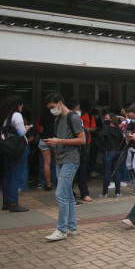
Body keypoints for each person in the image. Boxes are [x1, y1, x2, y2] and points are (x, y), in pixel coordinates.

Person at [42, 93, 86, 241]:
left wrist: (59, 140)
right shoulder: (57, 119)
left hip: (71, 160)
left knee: (60, 194)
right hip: (60, 159)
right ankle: (71, 228)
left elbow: (82, 139)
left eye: (53, 107)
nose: (52, 110)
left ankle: (61, 230)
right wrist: (54, 143)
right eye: (50, 108)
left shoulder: (73, 117)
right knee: (67, 195)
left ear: (60, 103)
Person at [0, 96, 30, 212]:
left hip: (6, 148)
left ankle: (6, 202)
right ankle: (13, 203)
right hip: (17, 148)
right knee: (15, 175)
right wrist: (26, 129)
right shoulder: (16, 115)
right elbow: (21, 132)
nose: (22, 107)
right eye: (21, 105)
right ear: (17, 105)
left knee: (8, 174)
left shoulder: (2, 115)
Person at [66, 100, 93, 203]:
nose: (79, 111)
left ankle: (84, 193)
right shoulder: (68, 119)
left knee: (82, 172)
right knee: (71, 174)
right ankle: (70, 193)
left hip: (82, 151)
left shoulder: (78, 119)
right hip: (72, 151)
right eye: (77, 108)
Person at [98, 114, 124, 197]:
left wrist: (103, 146)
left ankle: (105, 193)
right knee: (117, 172)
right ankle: (118, 192)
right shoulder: (119, 130)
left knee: (107, 172)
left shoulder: (107, 129)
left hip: (109, 152)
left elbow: (99, 135)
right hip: (118, 152)